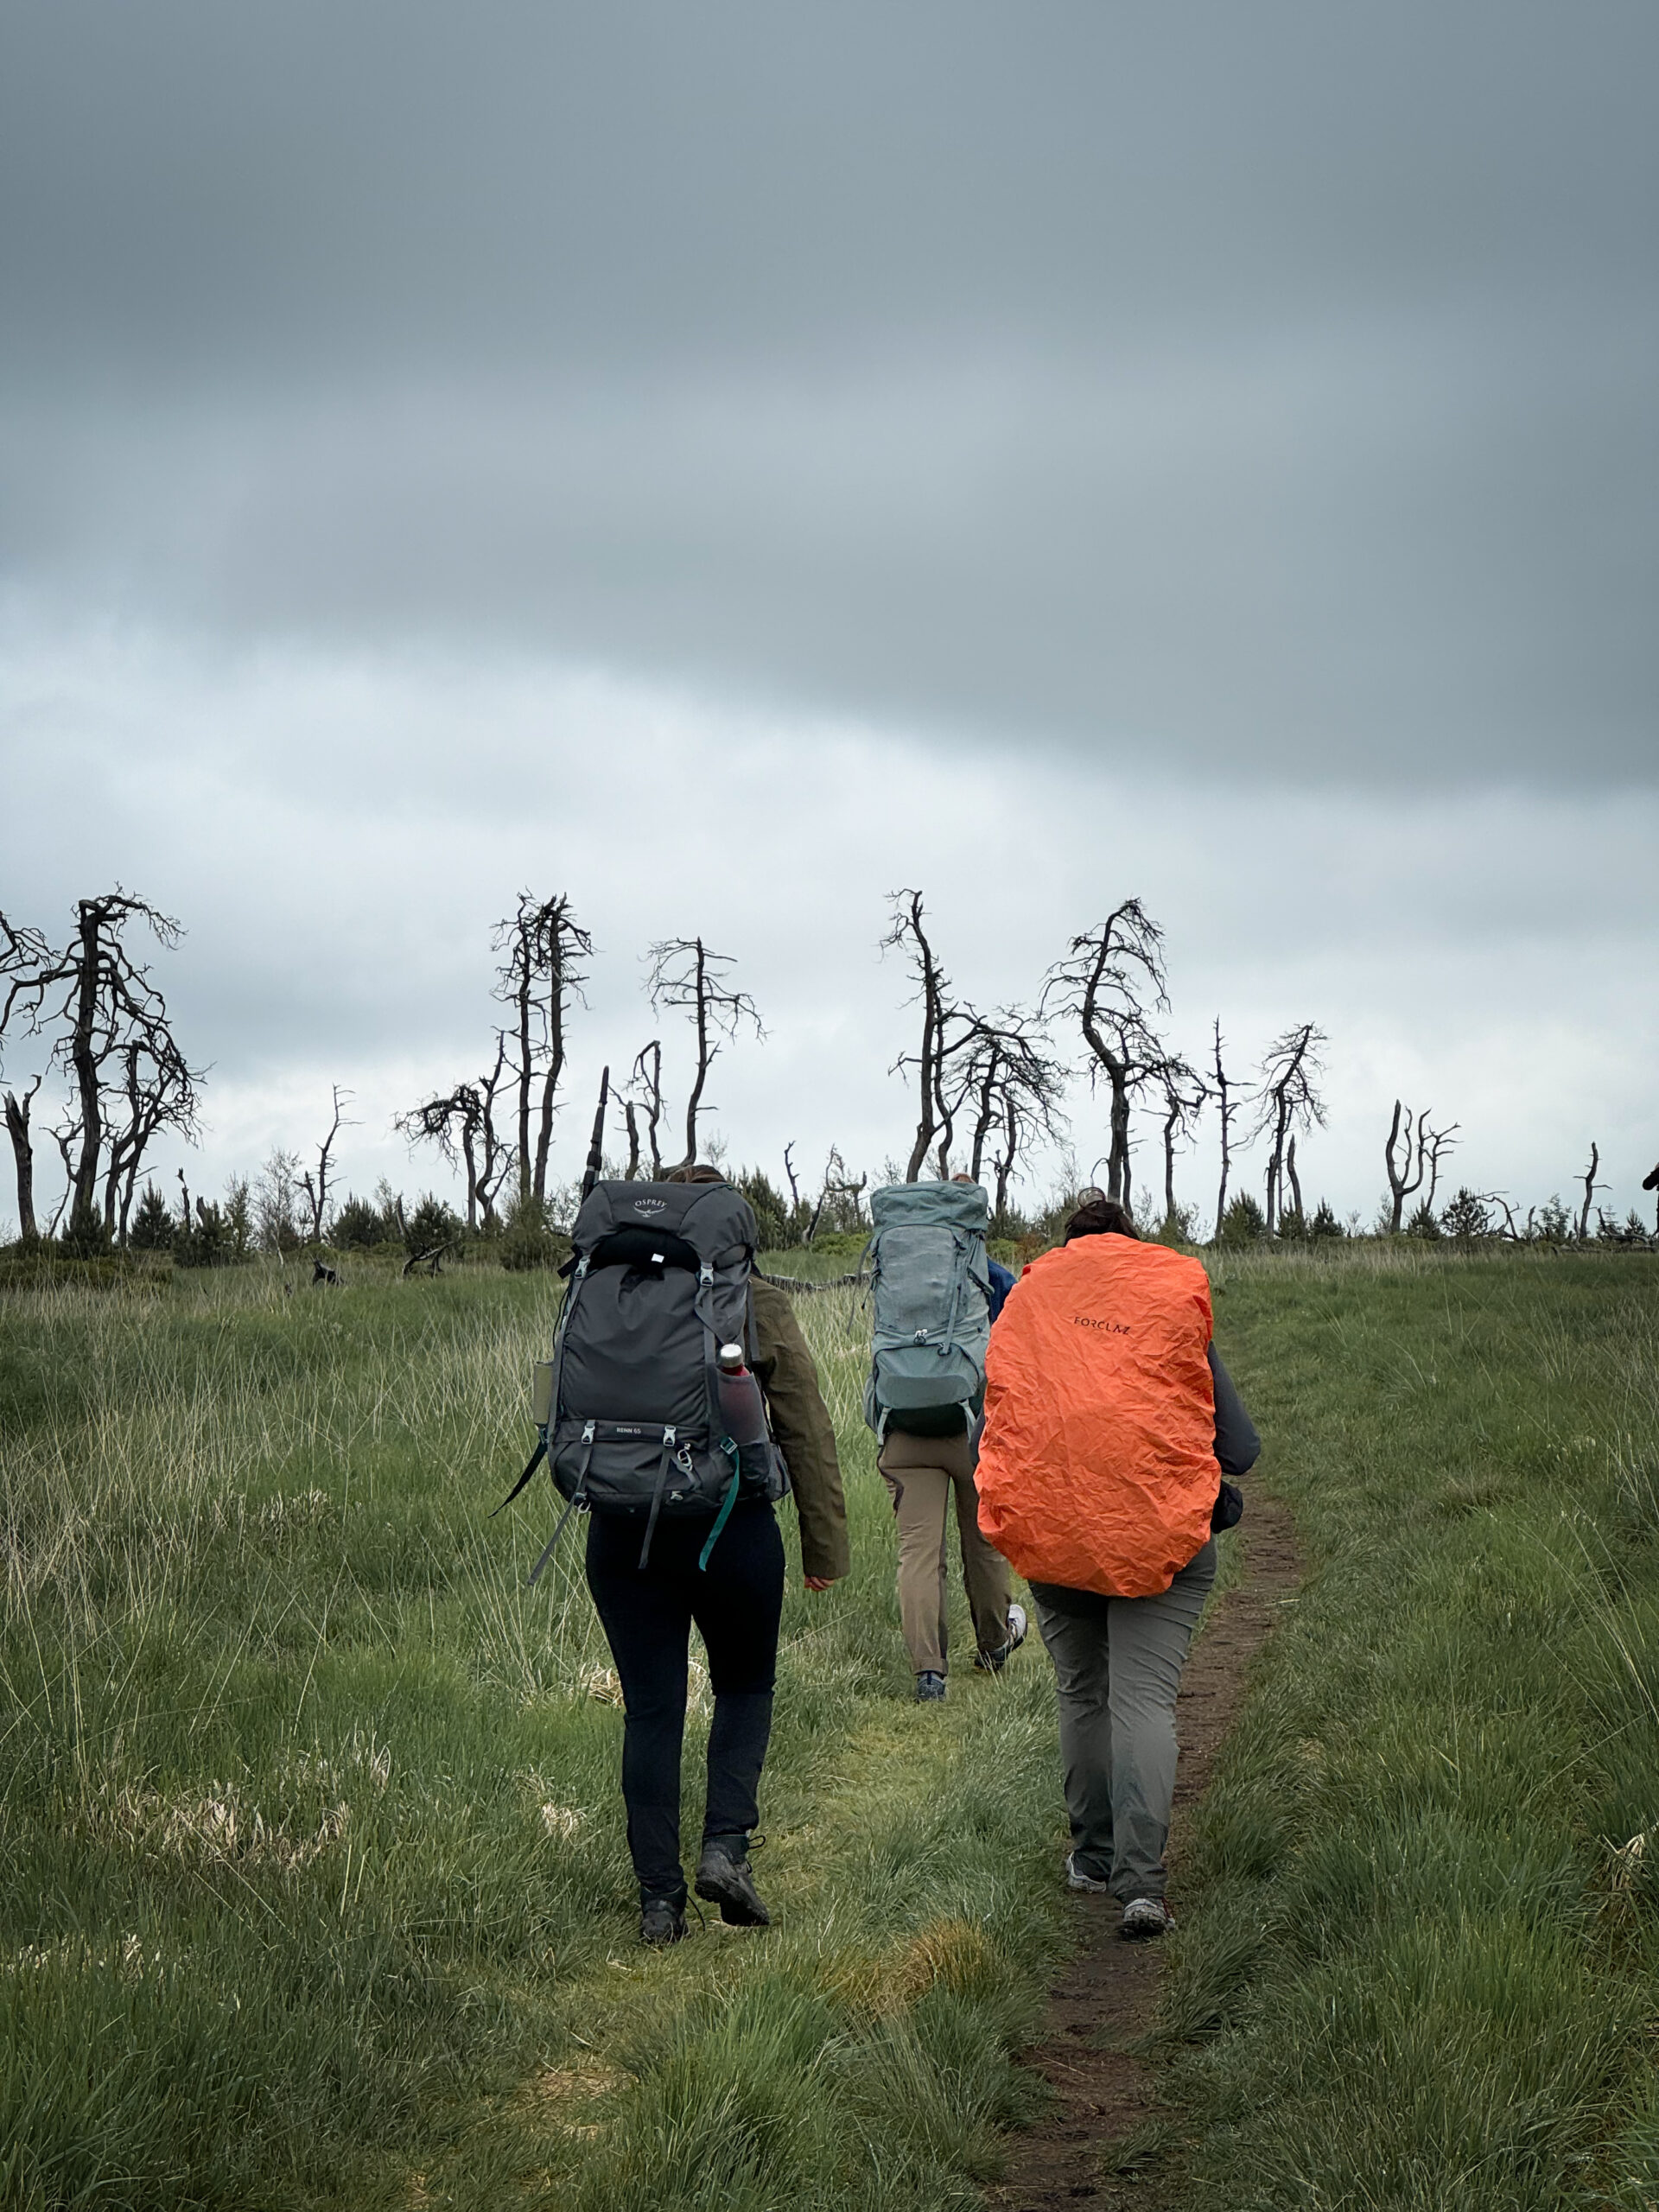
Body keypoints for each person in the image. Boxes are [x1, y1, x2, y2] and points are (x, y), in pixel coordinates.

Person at [974, 1195, 1259, 1940]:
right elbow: (1243, 1450)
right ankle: (1142, 1884)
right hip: (1158, 1538)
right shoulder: (1167, 1295)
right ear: (1132, 1245)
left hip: (1056, 1533)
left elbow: (997, 1417)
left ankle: (1092, 1858)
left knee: (1081, 1692)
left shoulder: (1029, 1298)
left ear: (1068, 1246)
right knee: (1144, 1702)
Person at [582, 1165, 849, 1946]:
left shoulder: (605, 1293)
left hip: (623, 1529)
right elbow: (804, 1425)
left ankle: (659, 1902)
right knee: (744, 1686)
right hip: (730, 1527)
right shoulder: (754, 1300)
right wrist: (822, 1545)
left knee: (654, 1710)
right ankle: (726, 1848)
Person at [875, 1174, 1027, 1702]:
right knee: (982, 1542)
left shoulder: (897, 1272)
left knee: (918, 1552)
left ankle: (929, 1673)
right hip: (973, 1427)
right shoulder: (993, 1279)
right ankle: (992, 1644)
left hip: (906, 1425)